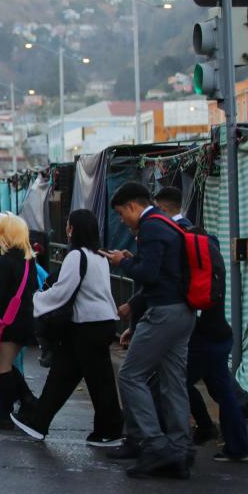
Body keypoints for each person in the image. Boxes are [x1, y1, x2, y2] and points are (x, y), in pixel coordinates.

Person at [101, 182, 195, 479]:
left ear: (132, 206)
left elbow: (149, 276)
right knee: (173, 381)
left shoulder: (150, 228)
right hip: (184, 312)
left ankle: (155, 445)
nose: (121, 221)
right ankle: (180, 449)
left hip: (164, 313)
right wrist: (133, 261)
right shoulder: (167, 224)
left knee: (130, 375)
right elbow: (165, 271)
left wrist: (122, 263)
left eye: (120, 214)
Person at [11, 209, 123, 445]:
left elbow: (63, 291)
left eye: (69, 226)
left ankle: (109, 431)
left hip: (86, 326)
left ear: (74, 229)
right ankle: (39, 423)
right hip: (99, 324)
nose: (67, 230)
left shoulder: (76, 256)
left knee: (94, 381)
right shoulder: (99, 256)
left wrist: (37, 300)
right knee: (65, 375)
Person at [153, 187, 248, 463]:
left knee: (169, 385)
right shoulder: (205, 238)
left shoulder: (179, 240)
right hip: (217, 329)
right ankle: (234, 443)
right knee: (222, 391)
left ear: (164, 209)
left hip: (199, 334)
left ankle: (159, 445)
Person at [0, 214, 38, 430]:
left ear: (4, 236)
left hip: (7, 323)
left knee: (1, 365)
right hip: (23, 319)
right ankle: (27, 401)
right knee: (2, 363)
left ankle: (7, 413)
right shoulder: (27, 259)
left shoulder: (1, 263)